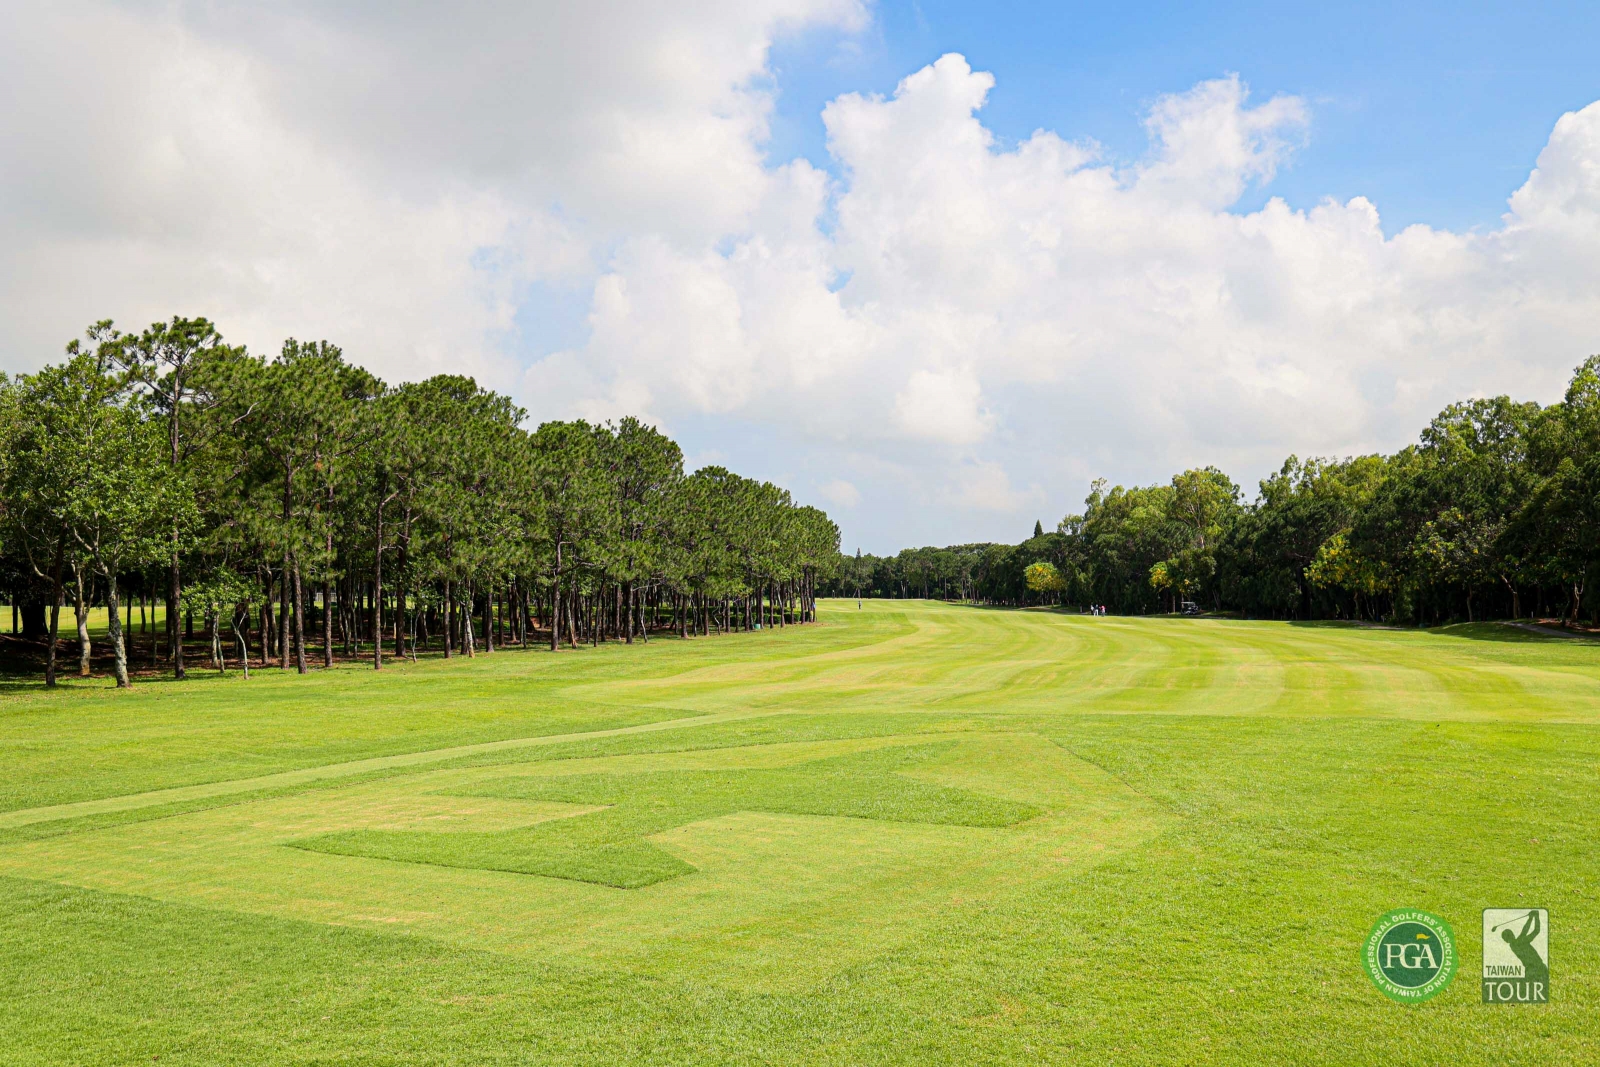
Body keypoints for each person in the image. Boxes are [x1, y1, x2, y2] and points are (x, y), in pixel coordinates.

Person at [1502, 912, 1548, 985]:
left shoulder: (1518, 942)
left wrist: (1534, 917)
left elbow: (1535, 931)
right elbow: (1528, 931)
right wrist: (1533, 917)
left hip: (1533, 968)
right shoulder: (1517, 943)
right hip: (1536, 968)